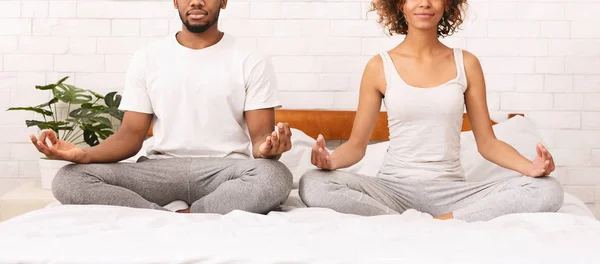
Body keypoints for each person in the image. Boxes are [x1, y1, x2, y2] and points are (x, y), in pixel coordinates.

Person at [298, 0, 564, 222]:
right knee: (312, 182)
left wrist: (530, 168)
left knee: (548, 189)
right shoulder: (379, 66)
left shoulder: (466, 63)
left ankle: (442, 221)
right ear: (400, 5)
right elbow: (356, 146)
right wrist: (330, 161)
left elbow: (487, 143)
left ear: (447, 4)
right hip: (392, 190)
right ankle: (406, 221)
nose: (424, 2)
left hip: (452, 192)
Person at [29, 0, 293, 214]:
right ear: (175, 1)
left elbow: (260, 138)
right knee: (68, 179)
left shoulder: (250, 58)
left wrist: (269, 148)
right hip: (158, 170)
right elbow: (131, 136)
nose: (197, 2)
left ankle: (190, 215)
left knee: (275, 176)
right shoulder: (148, 57)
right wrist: (83, 155)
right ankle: (163, 215)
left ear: (224, 1)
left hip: (225, 171)